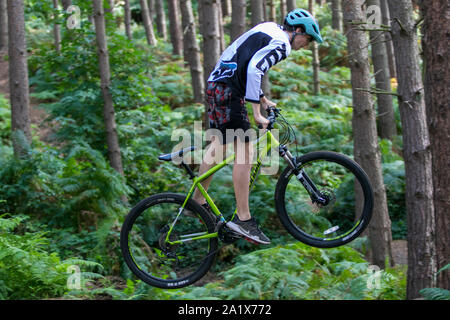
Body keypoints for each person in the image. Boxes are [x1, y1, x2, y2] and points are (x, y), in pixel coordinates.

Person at [192, 9, 323, 244]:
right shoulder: (283, 44)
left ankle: (198, 202)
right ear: (298, 31)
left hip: (217, 85)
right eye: (309, 39)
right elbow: (254, 69)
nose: (307, 45)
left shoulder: (269, 28)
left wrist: (261, 97)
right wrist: (256, 112)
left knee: (219, 145)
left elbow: (245, 60)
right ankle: (243, 219)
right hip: (229, 91)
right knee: (247, 151)